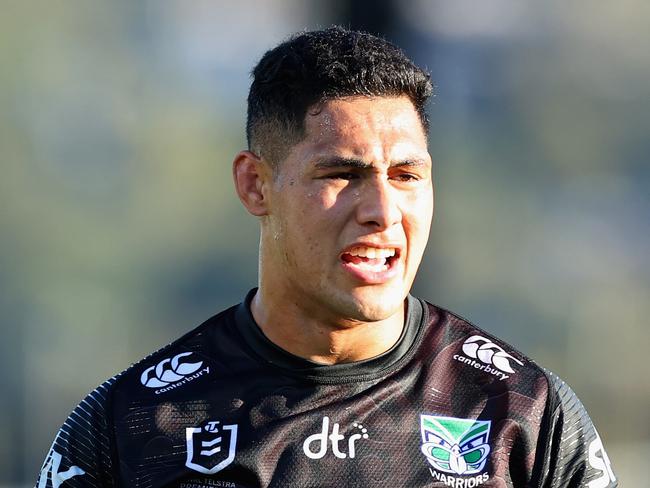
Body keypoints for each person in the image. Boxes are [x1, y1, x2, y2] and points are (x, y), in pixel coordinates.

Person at [36, 27, 617, 488]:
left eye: (407, 175)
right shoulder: (129, 427)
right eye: (342, 173)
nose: (385, 212)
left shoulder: (525, 415)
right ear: (255, 185)